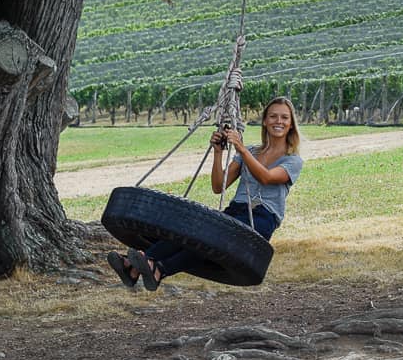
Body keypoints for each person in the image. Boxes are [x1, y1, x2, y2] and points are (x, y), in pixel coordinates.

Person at [107, 96, 304, 291]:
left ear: (291, 124)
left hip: (262, 218)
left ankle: (159, 269)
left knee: (213, 242)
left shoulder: (292, 160)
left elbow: (267, 177)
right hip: (235, 211)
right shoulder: (251, 151)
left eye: (284, 118)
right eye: (273, 116)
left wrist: (242, 150)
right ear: (264, 120)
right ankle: (134, 267)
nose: (278, 121)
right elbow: (219, 185)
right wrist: (218, 152)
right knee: (192, 231)